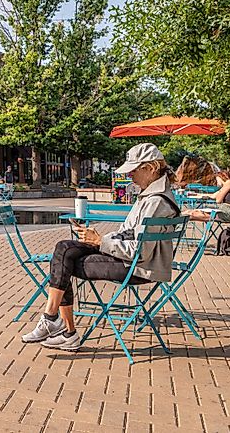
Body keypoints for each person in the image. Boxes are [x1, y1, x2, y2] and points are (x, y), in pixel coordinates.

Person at [21, 143, 180, 351]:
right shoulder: (150, 197)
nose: (130, 176)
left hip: (138, 267)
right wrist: (98, 238)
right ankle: (56, 324)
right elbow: (127, 232)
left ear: (150, 168)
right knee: (64, 249)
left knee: (62, 264)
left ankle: (61, 327)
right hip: (129, 259)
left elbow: (138, 252)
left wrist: (101, 242)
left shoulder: (155, 202)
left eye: (133, 170)